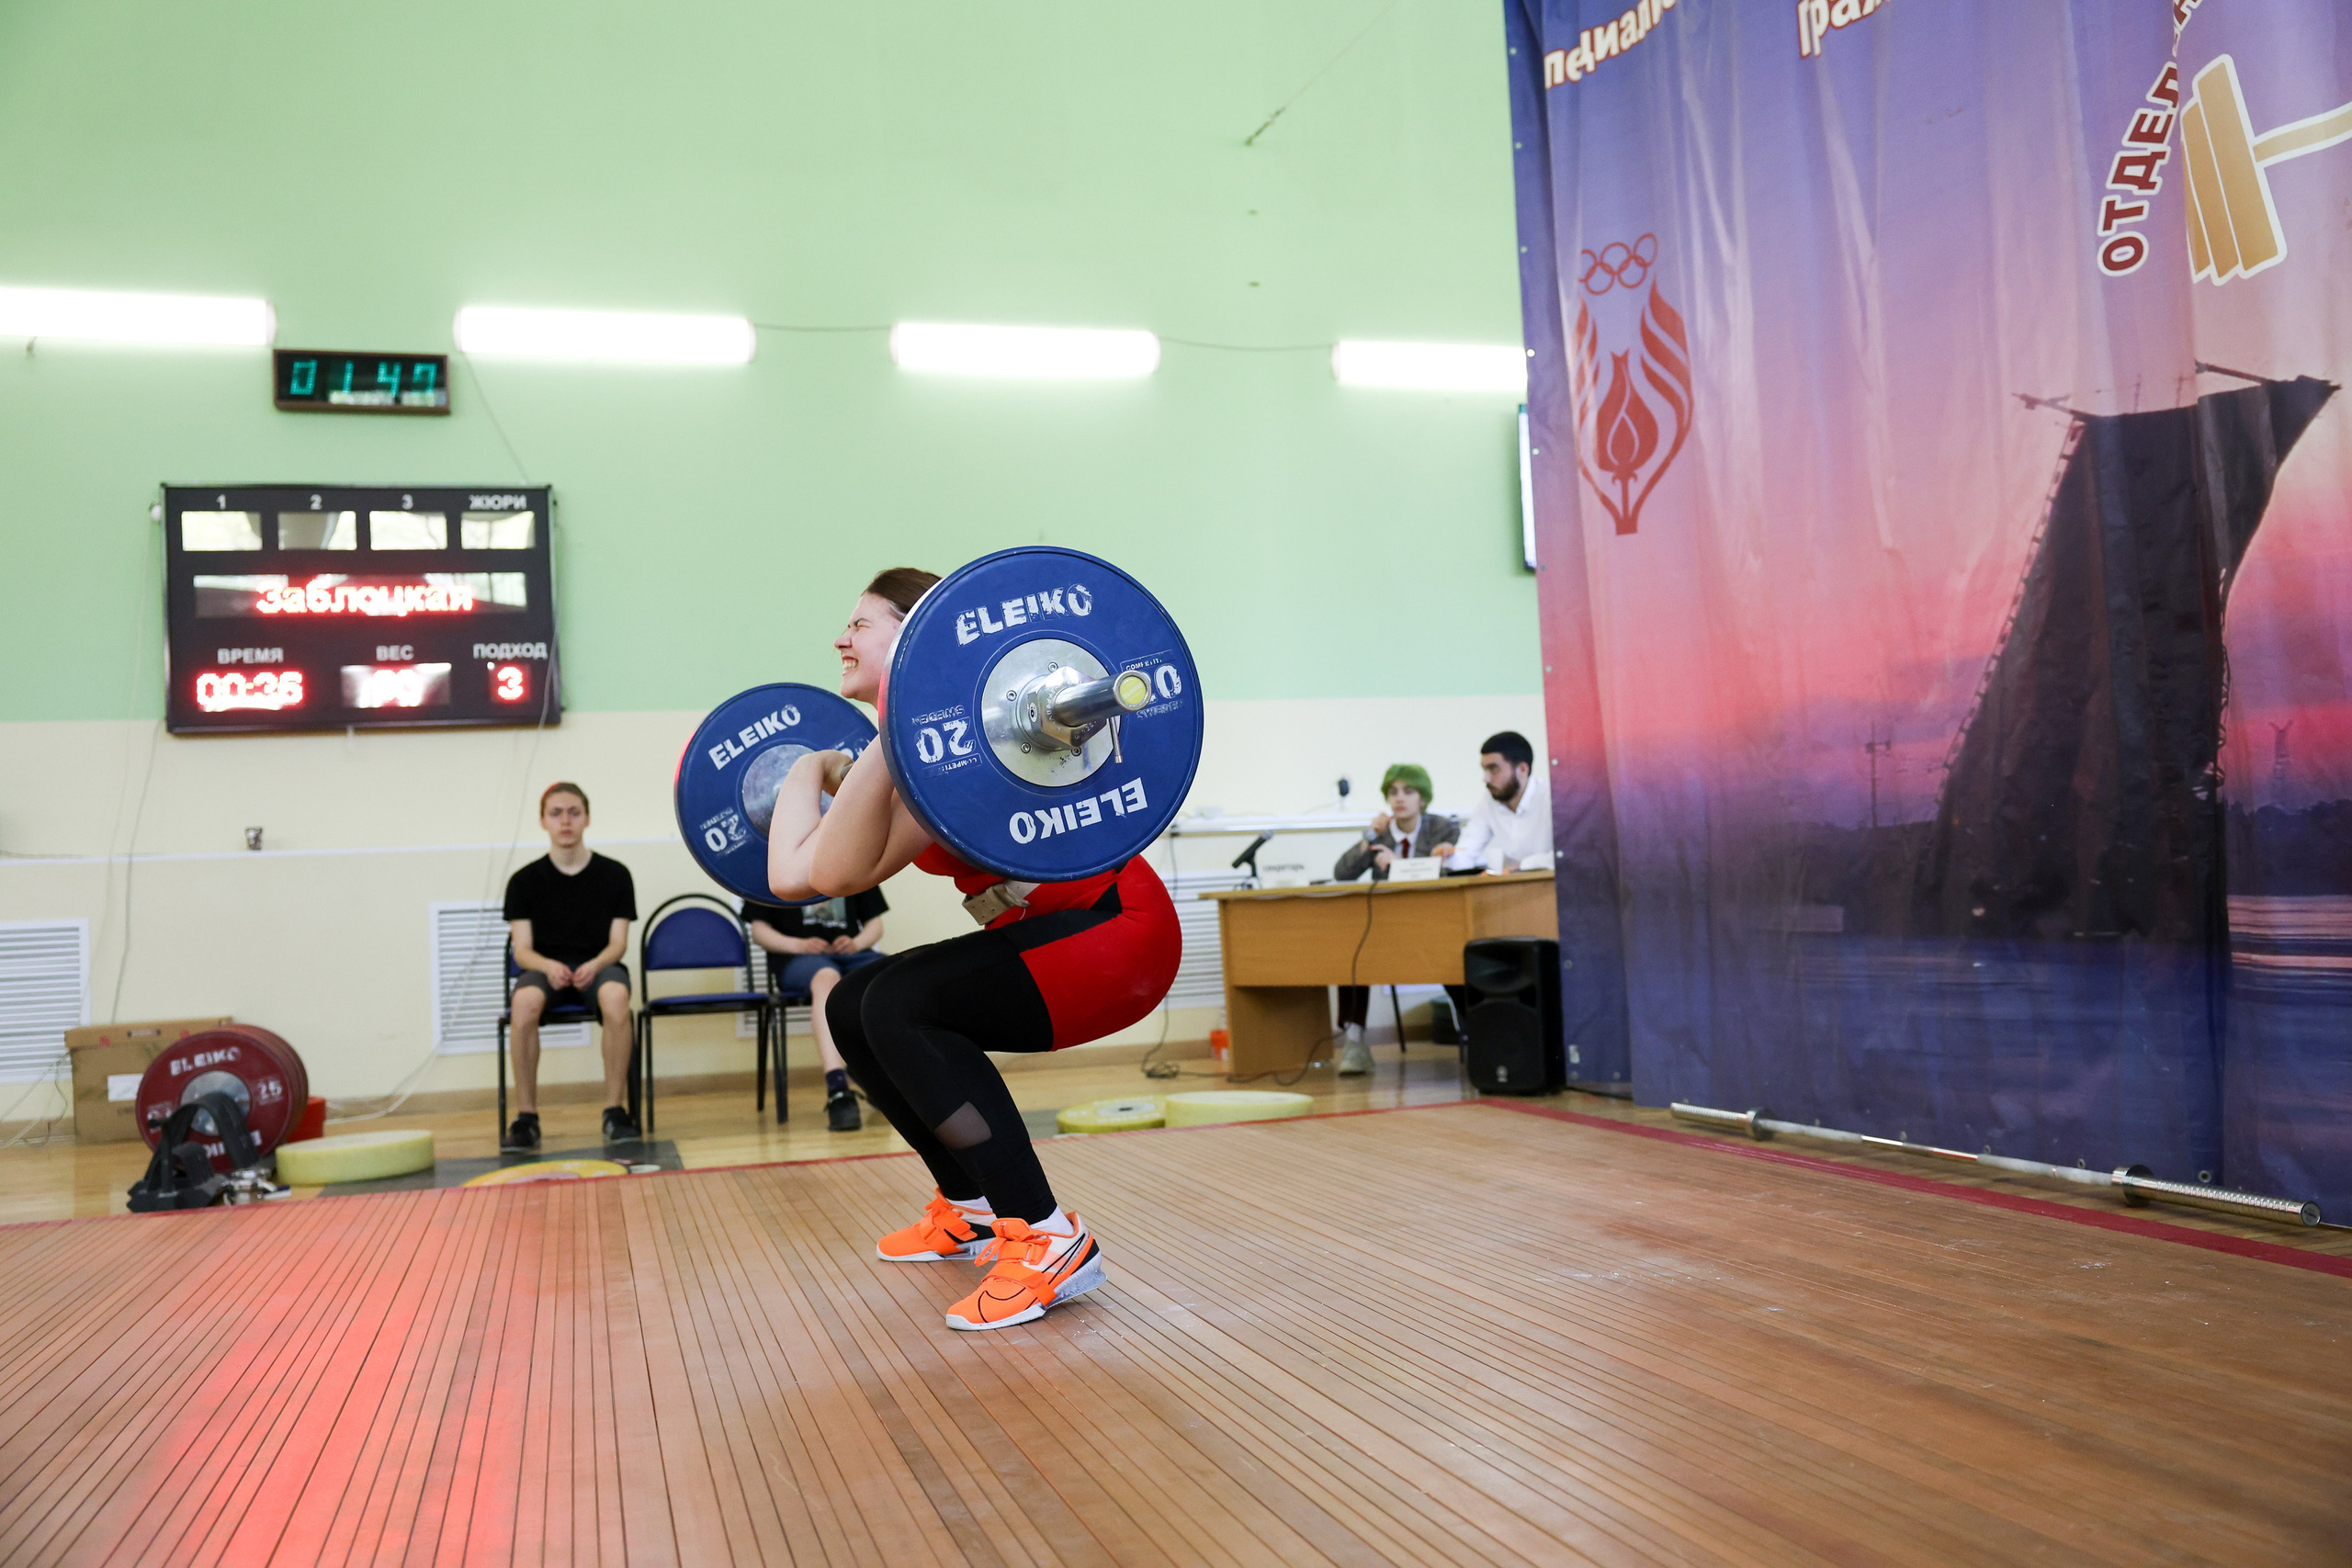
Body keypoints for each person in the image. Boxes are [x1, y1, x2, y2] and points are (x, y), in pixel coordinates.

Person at [763, 567, 1182, 1332]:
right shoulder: (919, 745)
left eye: (860, 624)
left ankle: (1047, 1236)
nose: (840, 639)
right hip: (1057, 935)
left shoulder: (965, 741)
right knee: (855, 1004)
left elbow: (821, 869)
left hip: (1119, 929)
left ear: (916, 630)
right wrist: (810, 765)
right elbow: (793, 875)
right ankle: (973, 1206)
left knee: (899, 1002)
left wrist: (821, 765)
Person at [502, 782, 639, 1151]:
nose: (566, 821)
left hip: (599, 965)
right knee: (524, 1004)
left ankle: (615, 1110)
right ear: (543, 821)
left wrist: (595, 964)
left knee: (616, 996)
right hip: (545, 968)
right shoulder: (523, 881)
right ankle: (526, 1117)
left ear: (587, 818)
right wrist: (547, 966)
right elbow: (522, 951)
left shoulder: (615, 875)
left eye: (574, 812)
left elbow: (618, 944)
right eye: (556, 813)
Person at [1329, 763, 1459, 1076]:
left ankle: (1472, 1031)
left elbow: (1448, 873)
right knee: (1354, 952)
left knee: (1458, 952)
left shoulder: (1444, 829)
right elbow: (1342, 873)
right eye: (1393, 792)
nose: (1399, 799)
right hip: (1387, 927)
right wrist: (1369, 837)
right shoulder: (1382, 833)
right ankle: (1355, 1042)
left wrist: (1398, 864)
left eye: (1408, 791)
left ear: (1423, 799)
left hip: (1434, 923)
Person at [741, 889, 888, 1131]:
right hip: (796, 958)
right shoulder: (768, 868)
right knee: (826, 978)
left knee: (889, 975)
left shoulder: (851, 857)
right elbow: (760, 931)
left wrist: (857, 943)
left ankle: (874, 1074)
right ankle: (838, 1089)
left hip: (851, 954)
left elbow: (875, 923)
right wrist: (798, 944)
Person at [1440, 730, 1554, 874]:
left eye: (1493, 769)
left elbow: (1569, 853)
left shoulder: (1553, 796)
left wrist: (1524, 864)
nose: (1486, 779)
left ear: (1522, 769)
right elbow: (1467, 851)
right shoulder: (1489, 801)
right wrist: (1447, 856)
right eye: (1484, 770)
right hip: (1514, 888)